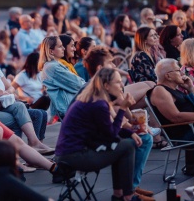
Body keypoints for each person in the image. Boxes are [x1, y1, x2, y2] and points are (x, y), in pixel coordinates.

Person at [54, 68, 139, 201]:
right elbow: (111, 134)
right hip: (74, 156)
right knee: (127, 146)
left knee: (122, 146)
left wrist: (130, 132)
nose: (122, 85)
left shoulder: (92, 100)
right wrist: (122, 108)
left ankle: (119, 195)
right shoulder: (98, 104)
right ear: (106, 85)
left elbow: (106, 129)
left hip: (66, 155)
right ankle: (127, 196)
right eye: (118, 82)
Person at [0, 36, 53, 153]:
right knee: (17, 116)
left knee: (29, 110)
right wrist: (4, 91)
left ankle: (33, 145)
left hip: (2, 105)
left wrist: (5, 91)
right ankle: (19, 155)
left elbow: (9, 88)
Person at [148, 58, 194, 141]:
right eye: (178, 70)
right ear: (168, 76)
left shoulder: (175, 90)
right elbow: (176, 117)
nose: (182, 73)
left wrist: (191, 89)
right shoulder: (160, 90)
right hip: (185, 134)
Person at [38, 36, 85, 118]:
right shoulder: (53, 67)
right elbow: (78, 84)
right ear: (51, 51)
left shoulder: (54, 65)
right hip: (67, 110)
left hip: (70, 108)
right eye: (60, 46)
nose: (63, 48)